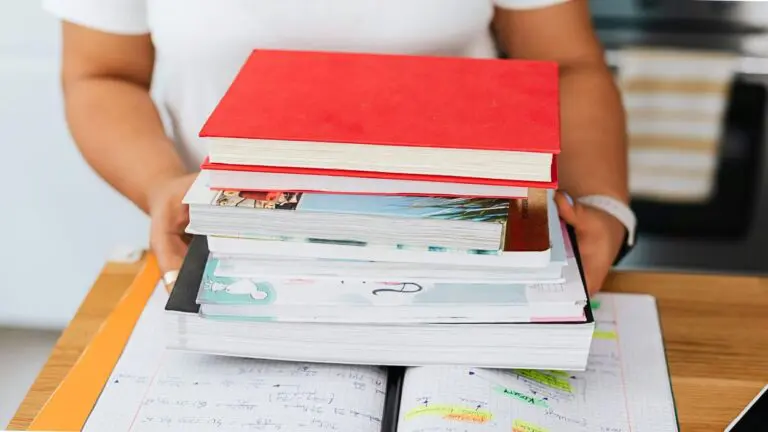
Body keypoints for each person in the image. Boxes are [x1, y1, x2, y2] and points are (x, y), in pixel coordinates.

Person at [44, 0, 635, 294]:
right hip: (229, 248)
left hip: (473, 247)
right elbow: (104, 75)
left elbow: (569, 65)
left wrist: (604, 207)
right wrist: (160, 184)